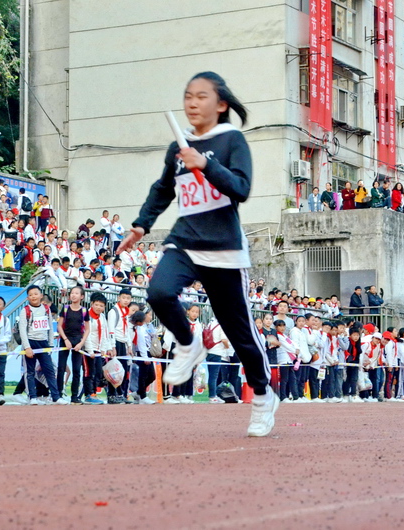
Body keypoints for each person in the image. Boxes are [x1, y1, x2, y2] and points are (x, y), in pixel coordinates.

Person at [118, 72, 275, 436]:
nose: (192, 102)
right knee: (158, 291)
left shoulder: (231, 140)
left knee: (241, 335)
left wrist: (206, 165)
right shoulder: (179, 146)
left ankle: (265, 396)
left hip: (223, 248)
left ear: (221, 104)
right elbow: (163, 189)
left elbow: (241, 189)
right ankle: (188, 344)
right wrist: (141, 224)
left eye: (201, 96)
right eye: (188, 96)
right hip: (186, 239)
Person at [18, 285, 68, 405]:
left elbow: (50, 327)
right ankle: (32, 397)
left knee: (49, 370)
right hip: (30, 342)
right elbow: (22, 330)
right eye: (30, 295)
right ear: (27, 298)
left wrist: (50, 345)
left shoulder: (46, 309)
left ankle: (56, 397)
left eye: (35, 294)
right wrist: (27, 347)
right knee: (30, 372)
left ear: (41, 296)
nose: (33, 297)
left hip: (44, 343)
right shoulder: (25, 310)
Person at [57, 286, 87, 403]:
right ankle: (58, 394)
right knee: (61, 367)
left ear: (82, 296)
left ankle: (74, 396)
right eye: (72, 293)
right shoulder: (65, 309)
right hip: (65, 340)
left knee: (76, 370)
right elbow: (59, 326)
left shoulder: (84, 311)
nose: (73, 295)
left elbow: (87, 329)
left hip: (78, 341)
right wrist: (65, 339)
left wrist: (81, 343)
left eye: (76, 293)